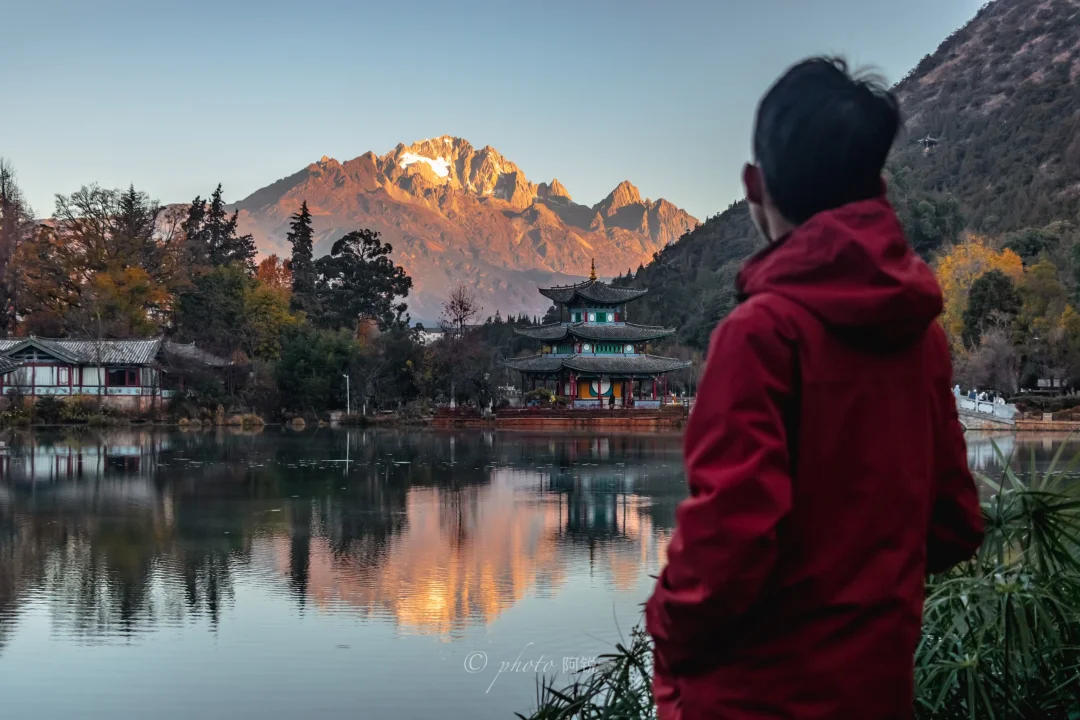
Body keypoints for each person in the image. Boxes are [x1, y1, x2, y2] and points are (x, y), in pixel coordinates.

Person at [645, 57, 984, 720]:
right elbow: (954, 526)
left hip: (750, 702)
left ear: (755, 185)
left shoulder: (762, 335)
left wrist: (665, 625)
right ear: (875, 187)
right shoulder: (922, 339)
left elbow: (727, 544)